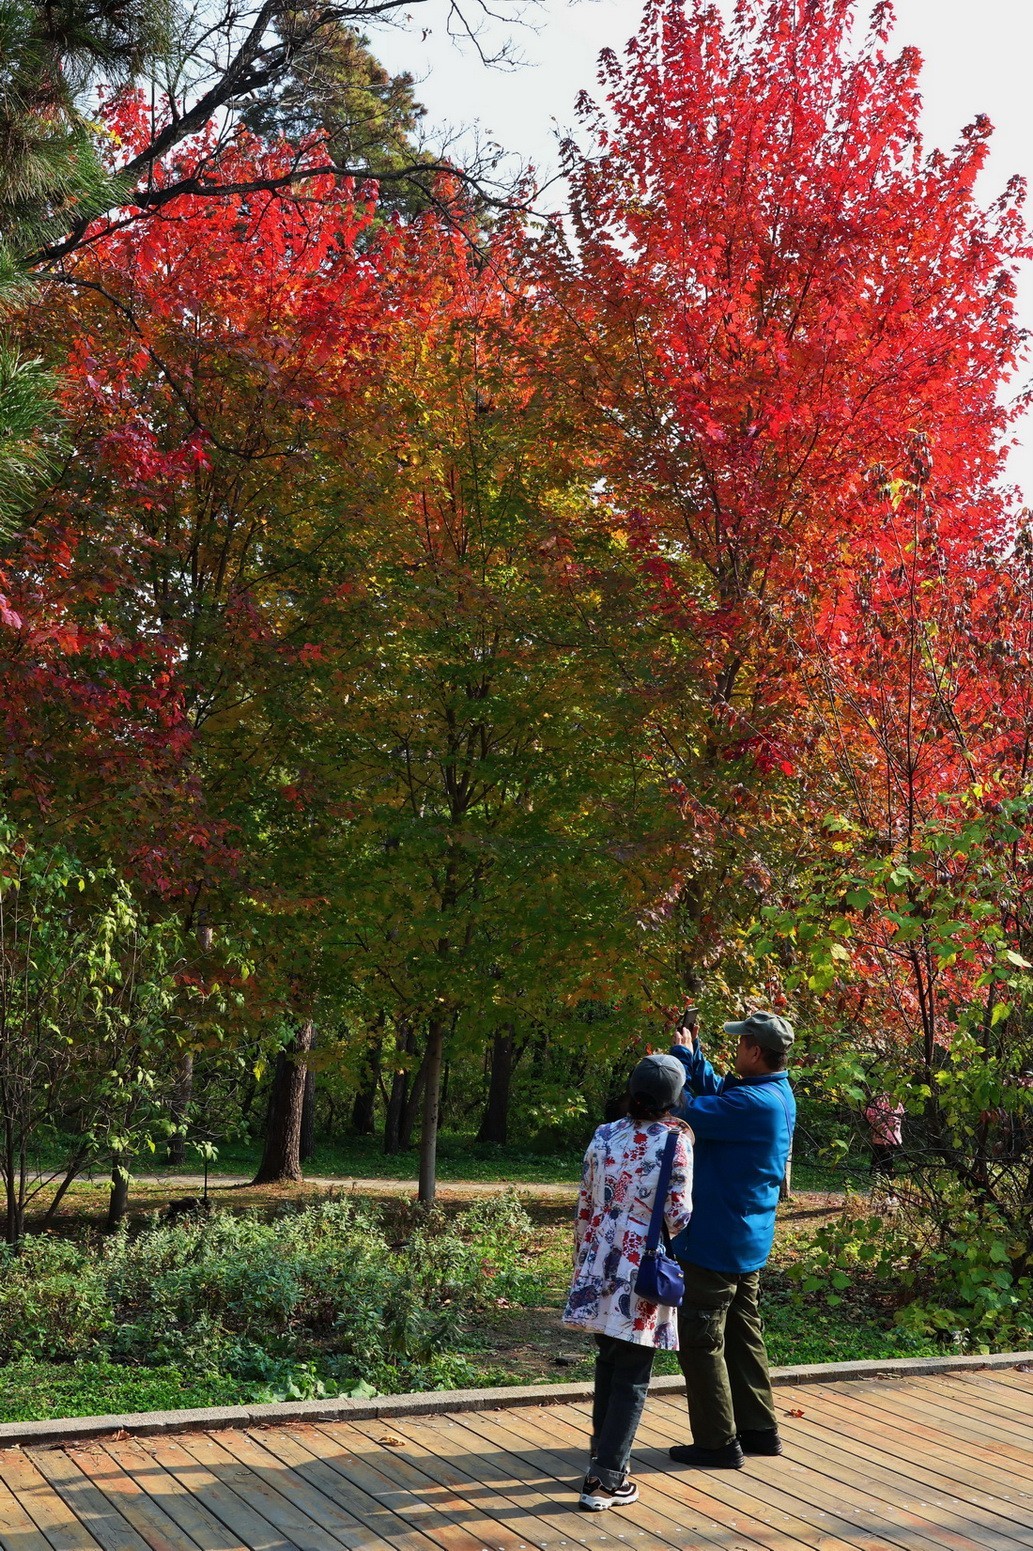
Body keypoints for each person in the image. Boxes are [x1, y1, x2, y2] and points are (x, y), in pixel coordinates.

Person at [562, 1053, 693, 1510]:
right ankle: (605, 1480)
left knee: (610, 1361)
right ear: (673, 1099)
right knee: (634, 1372)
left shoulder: (604, 1134)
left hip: (599, 1255)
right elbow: (678, 1214)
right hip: (640, 1263)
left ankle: (603, 1455)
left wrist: (586, 1252)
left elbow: (584, 1202)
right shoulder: (676, 1142)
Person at [667, 1007, 796, 1469]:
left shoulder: (751, 1105)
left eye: (741, 1043)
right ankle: (760, 1430)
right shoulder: (773, 1093)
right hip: (747, 1240)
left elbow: (685, 1108)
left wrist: (678, 1062)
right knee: (744, 1335)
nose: (736, 1047)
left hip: (716, 1242)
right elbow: (719, 1091)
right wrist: (694, 1053)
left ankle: (717, 1442)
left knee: (701, 1339)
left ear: (756, 1051)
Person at [865, 1092, 904, 1178]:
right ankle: (886, 1178)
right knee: (887, 1159)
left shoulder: (877, 1101)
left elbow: (868, 1115)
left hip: (882, 1138)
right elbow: (901, 1113)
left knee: (881, 1160)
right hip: (893, 1138)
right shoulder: (896, 1102)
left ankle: (883, 1178)